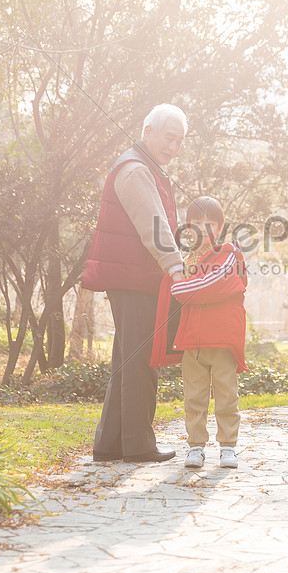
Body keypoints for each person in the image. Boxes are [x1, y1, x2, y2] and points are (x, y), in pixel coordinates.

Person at [81, 104, 187, 463]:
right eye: (168, 137)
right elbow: (153, 226)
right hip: (135, 278)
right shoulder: (136, 170)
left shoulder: (140, 166)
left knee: (128, 360)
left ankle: (110, 444)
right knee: (142, 361)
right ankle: (140, 446)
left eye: (179, 141)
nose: (173, 146)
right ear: (148, 130)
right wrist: (177, 268)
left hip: (132, 277)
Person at [163, 195, 248, 469]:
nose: (204, 228)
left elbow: (208, 287)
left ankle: (227, 447)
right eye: (197, 223)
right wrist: (178, 279)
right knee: (194, 396)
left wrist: (180, 288)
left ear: (220, 228)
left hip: (222, 339)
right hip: (192, 340)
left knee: (226, 396)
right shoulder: (183, 260)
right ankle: (196, 447)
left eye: (210, 223)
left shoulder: (230, 255)